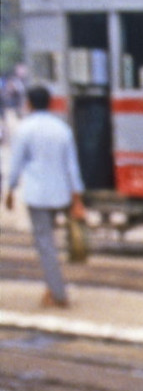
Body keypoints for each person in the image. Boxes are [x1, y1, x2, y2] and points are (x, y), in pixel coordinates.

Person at [4, 83, 86, 310]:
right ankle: (51, 289)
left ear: (28, 103)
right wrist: (77, 199)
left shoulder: (24, 129)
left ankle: (59, 294)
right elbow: (72, 167)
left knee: (45, 244)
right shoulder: (62, 129)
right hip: (60, 194)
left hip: (37, 194)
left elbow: (17, 163)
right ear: (50, 103)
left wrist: (10, 190)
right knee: (49, 242)